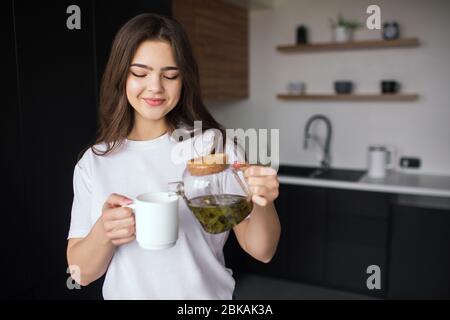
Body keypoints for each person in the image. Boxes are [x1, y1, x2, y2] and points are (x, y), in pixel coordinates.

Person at [66, 13, 280, 300]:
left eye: (170, 75)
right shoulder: (94, 162)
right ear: (121, 75)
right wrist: (104, 232)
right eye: (140, 73)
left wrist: (263, 202)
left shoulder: (211, 148)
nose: (155, 87)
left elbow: (262, 251)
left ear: (184, 79)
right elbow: (81, 273)